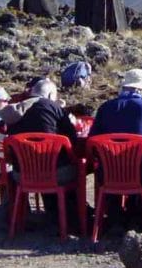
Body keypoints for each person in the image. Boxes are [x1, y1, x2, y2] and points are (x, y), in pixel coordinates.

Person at [89, 68, 142, 230]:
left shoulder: (105, 108)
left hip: (108, 172)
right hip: (139, 174)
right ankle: (137, 215)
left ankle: (114, 218)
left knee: (110, 170)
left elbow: (92, 140)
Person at [6, 79, 85, 233]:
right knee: (79, 167)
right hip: (54, 173)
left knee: (48, 163)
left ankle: (50, 215)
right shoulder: (52, 107)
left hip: (21, 173)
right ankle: (74, 218)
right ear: (50, 94)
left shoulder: (15, 110)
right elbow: (72, 137)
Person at [90, 68, 142, 137]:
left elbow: (92, 137)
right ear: (141, 90)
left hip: (107, 153)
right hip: (140, 153)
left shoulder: (105, 107)